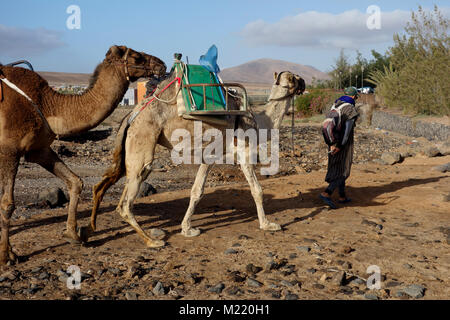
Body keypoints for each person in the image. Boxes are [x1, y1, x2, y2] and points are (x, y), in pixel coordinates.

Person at [319, 87, 359, 209]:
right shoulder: (350, 109)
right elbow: (347, 131)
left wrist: (332, 143)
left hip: (332, 141)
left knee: (337, 167)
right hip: (343, 144)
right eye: (356, 96)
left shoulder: (335, 105)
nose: (356, 98)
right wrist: (340, 146)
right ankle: (327, 193)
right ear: (353, 96)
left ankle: (342, 196)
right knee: (344, 170)